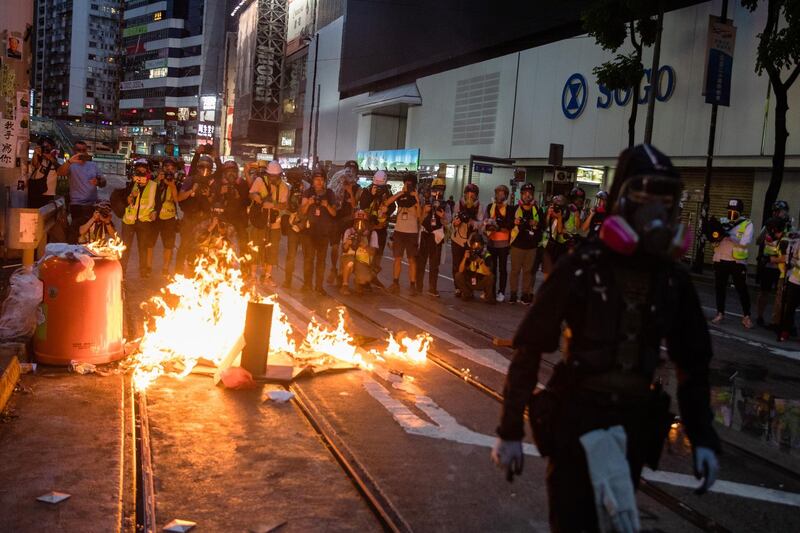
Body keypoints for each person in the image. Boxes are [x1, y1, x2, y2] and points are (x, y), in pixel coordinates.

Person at [492, 144, 719, 532]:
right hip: (578, 415)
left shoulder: (671, 279)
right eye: (645, 198)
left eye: (666, 200)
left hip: (634, 421)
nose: (656, 213)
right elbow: (530, 347)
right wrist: (510, 429)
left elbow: (693, 364)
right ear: (622, 201)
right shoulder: (584, 265)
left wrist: (703, 436)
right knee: (572, 520)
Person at [711, 198, 754, 329]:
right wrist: (714, 235)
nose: (731, 213)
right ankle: (720, 313)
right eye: (729, 210)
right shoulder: (722, 222)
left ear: (739, 212)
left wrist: (728, 236)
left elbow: (745, 242)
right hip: (720, 259)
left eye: (734, 211)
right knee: (720, 288)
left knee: (742, 289)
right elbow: (714, 241)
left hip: (737, 261)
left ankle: (746, 316)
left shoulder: (747, 224)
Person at [57, 140, 106, 243]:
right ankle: (76, 255)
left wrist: (98, 181)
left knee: (90, 233)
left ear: (86, 151)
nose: (81, 152)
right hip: (77, 205)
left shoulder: (93, 165)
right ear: (74, 151)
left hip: (92, 204)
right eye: (78, 150)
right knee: (77, 233)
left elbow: (104, 182)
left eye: (83, 150)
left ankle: (88, 254)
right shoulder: (71, 164)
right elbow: (60, 172)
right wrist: (70, 161)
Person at [176, 151, 216, 273]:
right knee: (184, 246)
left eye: (207, 168)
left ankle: (193, 272)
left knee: (199, 247)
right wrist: (192, 191)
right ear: (198, 167)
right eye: (202, 167)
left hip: (204, 219)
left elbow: (214, 202)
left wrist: (209, 195)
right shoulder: (190, 180)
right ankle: (178, 272)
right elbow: (179, 197)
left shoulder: (212, 182)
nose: (204, 170)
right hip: (189, 217)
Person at [249, 160, 288, 285]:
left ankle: (267, 276)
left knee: (272, 250)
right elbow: (251, 194)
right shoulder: (260, 181)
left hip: (274, 222)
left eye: (276, 176)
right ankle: (253, 275)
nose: (273, 178)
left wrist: (271, 205)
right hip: (259, 220)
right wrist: (258, 199)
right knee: (256, 247)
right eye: (271, 175)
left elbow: (283, 205)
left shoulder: (284, 187)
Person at [300, 169, 337, 294]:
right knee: (308, 259)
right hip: (309, 231)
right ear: (313, 180)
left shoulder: (330, 193)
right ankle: (307, 284)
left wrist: (327, 205)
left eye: (321, 179)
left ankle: (319, 286)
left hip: (323, 233)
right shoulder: (308, 192)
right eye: (316, 179)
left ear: (324, 181)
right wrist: (309, 203)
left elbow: (334, 213)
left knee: (321, 261)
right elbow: (302, 211)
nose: (319, 182)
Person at [756, 200, 791, 327]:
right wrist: (768, 230)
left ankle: (776, 321)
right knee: (764, 291)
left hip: (781, 265)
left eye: (784, 211)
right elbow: (758, 240)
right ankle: (760, 316)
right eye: (781, 211)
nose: (782, 214)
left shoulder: (788, 226)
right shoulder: (769, 224)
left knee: (781, 295)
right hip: (767, 264)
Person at [121, 159, 158, 278]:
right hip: (129, 221)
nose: (141, 173)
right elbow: (125, 201)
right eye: (139, 170)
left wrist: (155, 212)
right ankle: (122, 271)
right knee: (125, 247)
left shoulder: (153, 185)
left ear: (148, 171)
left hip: (144, 222)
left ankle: (143, 271)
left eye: (143, 169)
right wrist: (132, 195)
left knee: (143, 248)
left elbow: (158, 202)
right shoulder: (131, 184)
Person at [386, 173, 422, 294]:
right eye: (406, 183)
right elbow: (387, 203)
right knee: (397, 258)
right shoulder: (401, 196)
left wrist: (416, 198)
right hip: (399, 232)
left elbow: (419, 216)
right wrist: (401, 193)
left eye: (410, 184)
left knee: (412, 259)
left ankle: (412, 285)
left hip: (412, 232)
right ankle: (395, 283)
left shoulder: (417, 197)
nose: (408, 186)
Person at [328, 160, 362, 285]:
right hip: (336, 220)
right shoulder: (337, 183)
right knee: (335, 246)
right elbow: (330, 195)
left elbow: (355, 205)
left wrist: (349, 191)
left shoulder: (357, 188)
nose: (350, 173)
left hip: (348, 221)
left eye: (352, 171)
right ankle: (333, 268)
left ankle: (343, 274)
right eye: (348, 170)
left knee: (346, 247)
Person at [508, 182, 542, 304]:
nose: (528, 196)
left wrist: (536, 224)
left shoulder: (537, 210)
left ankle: (525, 294)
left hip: (531, 247)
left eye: (530, 194)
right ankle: (513, 293)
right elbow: (508, 224)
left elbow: (542, 227)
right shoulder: (514, 209)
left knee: (528, 272)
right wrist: (514, 222)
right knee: (515, 271)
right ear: (521, 195)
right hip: (517, 245)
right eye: (525, 193)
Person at [416, 176, 449, 296]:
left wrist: (443, 216)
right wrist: (425, 211)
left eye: (441, 190)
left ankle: (432, 288)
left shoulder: (445, 204)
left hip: (437, 235)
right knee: (421, 262)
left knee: (434, 264)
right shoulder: (425, 201)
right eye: (436, 189)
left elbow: (448, 222)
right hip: (425, 233)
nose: (438, 192)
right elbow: (419, 219)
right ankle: (418, 287)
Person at [359, 170, 395, 275]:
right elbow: (363, 205)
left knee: (378, 253)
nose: (378, 188)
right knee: (365, 251)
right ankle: (363, 275)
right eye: (376, 185)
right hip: (368, 226)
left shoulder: (387, 192)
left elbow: (393, 206)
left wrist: (387, 210)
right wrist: (372, 195)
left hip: (381, 227)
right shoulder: (367, 190)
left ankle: (373, 275)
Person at [451, 183, 484, 297]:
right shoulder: (458, 204)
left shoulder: (480, 206)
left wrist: (471, 221)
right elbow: (454, 219)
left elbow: (481, 223)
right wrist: (458, 220)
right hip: (458, 239)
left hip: (471, 240)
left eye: (473, 195)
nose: (470, 197)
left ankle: (469, 287)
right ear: (465, 194)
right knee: (457, 264)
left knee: (471, 265)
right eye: (468, 194)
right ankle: (458, 288)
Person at [485, 184, 515, 302]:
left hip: (503, 243)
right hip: (491, 241)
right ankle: (490, 290)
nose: (499, 195)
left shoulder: (510, 209)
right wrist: (488, 225)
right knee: (491, 268)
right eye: (498, 193)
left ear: (506, 195)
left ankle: (501, 291)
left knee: (502, 269)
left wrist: (498, 225)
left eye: (502, 193)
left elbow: (509, 225)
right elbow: (486, 221)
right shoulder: (490, 207)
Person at [340, 210, 379, 295]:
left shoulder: (372, 234)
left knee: (365, 278)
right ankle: (345, 285)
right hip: (349, 259)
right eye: (357, 221)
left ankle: (358, 282)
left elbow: (373, 252)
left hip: (362, 262)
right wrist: (348, 243)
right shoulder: (349, 231)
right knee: (350, 262)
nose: (359, 223)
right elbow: (344, 249)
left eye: (362, 221)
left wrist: (364, 246)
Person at [153, 158, 181, 275]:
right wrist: (158, 181)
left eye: (172, 168)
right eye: (166, 167)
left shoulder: (177, 183)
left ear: (175, 170)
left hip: (169, 217)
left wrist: (172, 185)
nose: (169, 170)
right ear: (162, 168)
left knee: (168, 245)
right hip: (155, 216)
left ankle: (165, 268)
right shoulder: (156, 180)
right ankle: (147, 267)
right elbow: (150, 194)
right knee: (150, 243)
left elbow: (176, 199)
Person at [282, 167, 308, 288]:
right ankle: (288, 280)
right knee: (291, 254)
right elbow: (287, 206)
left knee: (307, 255)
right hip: (293, 224)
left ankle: (306, 284)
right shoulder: (289, 188)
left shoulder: (307, 188)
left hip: (305, 226)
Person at [454, 232, 495, 302]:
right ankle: (467, 294)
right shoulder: (469, 253)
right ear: (471, 245)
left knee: (491, 277)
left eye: (478, 245)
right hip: (470, 280)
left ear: (482, 245)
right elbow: (460, 270)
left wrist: (481, 262)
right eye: (474, 245)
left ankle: (488, 296)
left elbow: (488, 273)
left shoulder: (486, 255)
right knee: (458, 275)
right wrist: (464, 258)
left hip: (481, 281)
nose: (476, 247)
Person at [778, 225, 800, 342]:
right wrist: (790, 262)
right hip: (795, 279)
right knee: (790, 307)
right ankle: (785, 331)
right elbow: (791, 256)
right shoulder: (797, 239)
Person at [28, 137, 59, 208]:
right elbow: (35, 165)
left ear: (52, 147)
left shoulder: (54, 160)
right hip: (35, 193)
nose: (45, 149)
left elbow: (60, 170)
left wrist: (51, 158)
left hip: (48, 195)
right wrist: (35, 154)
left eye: (47, 147)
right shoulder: (38, 158)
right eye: (43, 147)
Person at [542, 194, 569, 277]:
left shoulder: (566, 214)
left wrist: (559, 217)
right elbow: (545, 225)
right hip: (548, 245)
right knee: (546, 270)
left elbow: (560, 230)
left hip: (560, 246)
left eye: (559, 206)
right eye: (555, 205)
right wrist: (549, 215)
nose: (556, 208)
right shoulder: (548, 210)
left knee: (556, 271)